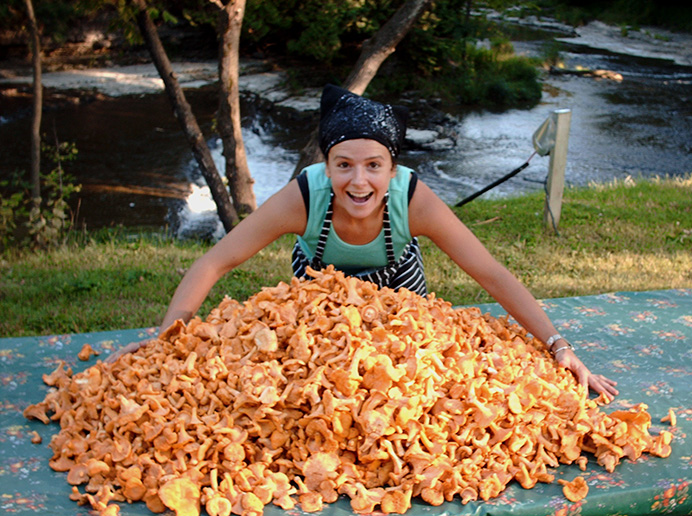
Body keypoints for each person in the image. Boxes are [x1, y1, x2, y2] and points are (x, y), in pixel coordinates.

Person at [113, 84, 618, 399]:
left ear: (392, 168)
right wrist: (169, 335)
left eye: (374, 166)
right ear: (326, 165)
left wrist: (557, 345)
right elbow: (214, 263)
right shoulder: (303, 198)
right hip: (315, 330)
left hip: (403, 322)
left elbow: (491, 273)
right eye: (344, 165)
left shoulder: (414, 200)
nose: (359, 182)